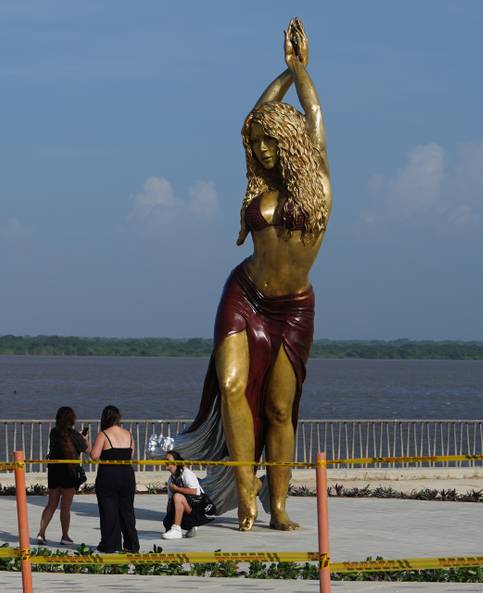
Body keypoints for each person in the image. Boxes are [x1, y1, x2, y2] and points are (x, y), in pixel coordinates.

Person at [173, 17, 331, 531]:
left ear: (291, 142)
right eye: (257, 143)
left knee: (281, 410)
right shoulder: (256, 188)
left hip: (291, 310)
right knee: (233, 386)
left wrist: (298, 70)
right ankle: (244, 497)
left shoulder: (319, 189)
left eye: (270, 141)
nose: (262, 150)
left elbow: (315, 116)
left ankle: (278, 505)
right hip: (243, 295)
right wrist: (276, 79)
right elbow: (252, 119)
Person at [36, 406, 89, 545]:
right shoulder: (75, 436)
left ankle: (41, 533)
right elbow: (88, 450)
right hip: (69, 474)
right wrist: (85, 438)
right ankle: (65, 536)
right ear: (72, 420)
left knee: (51, 505)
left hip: (54, 472)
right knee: (65, 507)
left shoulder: (53, 433)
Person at [90, 405, 138, 553]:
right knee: (127, 510)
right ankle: (132, 545)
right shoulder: (128, 434)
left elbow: (94, 456)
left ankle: (110, 544)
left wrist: (86, 443)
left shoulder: (103, 435)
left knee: (108, 510)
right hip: (127, 475)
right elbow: (131, 455)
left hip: (108, 475)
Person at [161, 450, 214, 539]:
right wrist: (168, 522)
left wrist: (177, 489)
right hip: (189, 508)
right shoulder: (171, 479)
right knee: (169, 515)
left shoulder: (186, 473)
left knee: (177, 496)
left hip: (197, 510)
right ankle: (191, 526)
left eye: (168, 459)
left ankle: (177, 530)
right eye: (164, 459)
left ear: (176, 462)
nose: (165, 461)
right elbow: (170, 502)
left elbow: (195, 492)